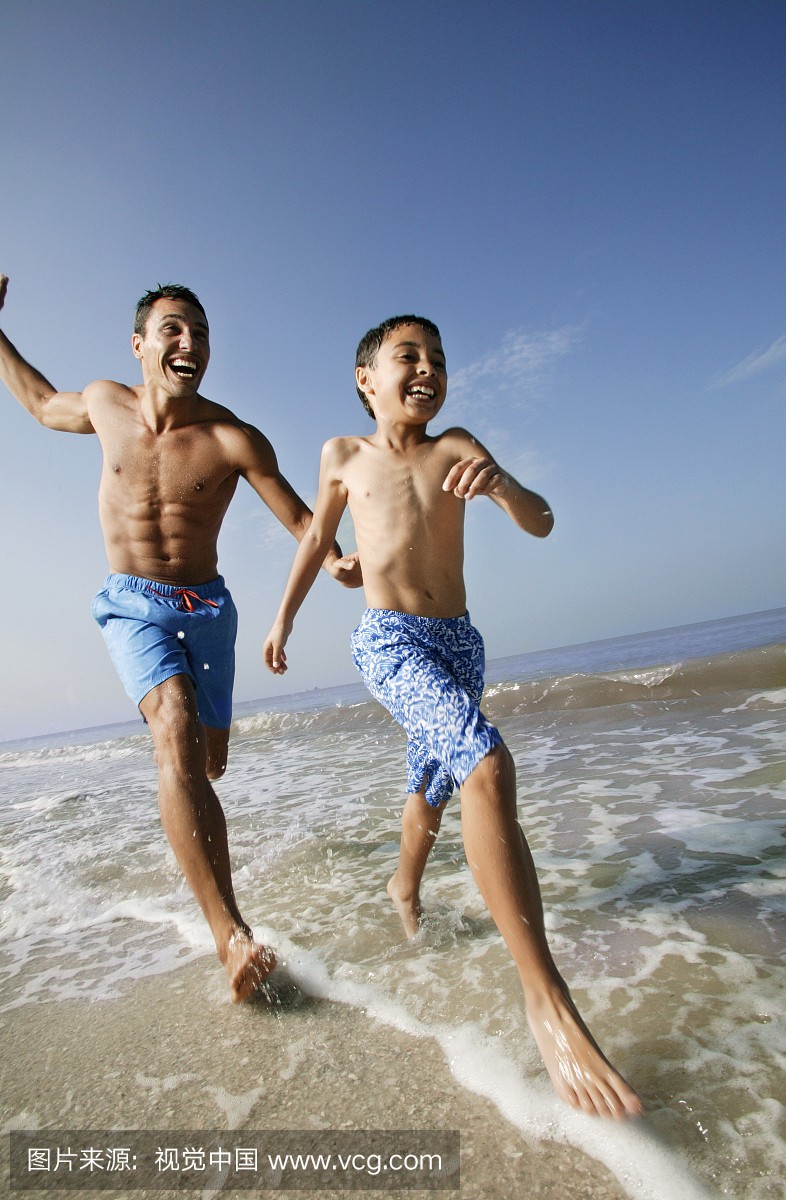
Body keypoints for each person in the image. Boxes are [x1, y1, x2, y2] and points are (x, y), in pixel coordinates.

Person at [263, 314, 643, 1119]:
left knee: (433, 783)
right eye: (409, 356)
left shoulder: (456, 445)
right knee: (486, 763)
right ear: (367, 377)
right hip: (389, 638)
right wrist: (284, 618)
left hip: (460, 645)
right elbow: (313, 543)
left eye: (437, 358)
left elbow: (540, 521)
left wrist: (501, 483)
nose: (427, 368)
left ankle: (402, 890)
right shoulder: (342, 456)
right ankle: (545, 997)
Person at [0, 274, 360, 1003]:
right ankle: (230, 934)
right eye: (172, 329)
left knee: (209, 761)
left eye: (199, 331)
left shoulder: (232, 438)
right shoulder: (106, 403)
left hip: (208, 611)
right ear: (139, 345)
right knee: (172, 728)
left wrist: (336, 560)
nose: (189, 341)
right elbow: (40, 404)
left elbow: (300, 517)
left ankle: (206, 842)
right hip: (132, 603)